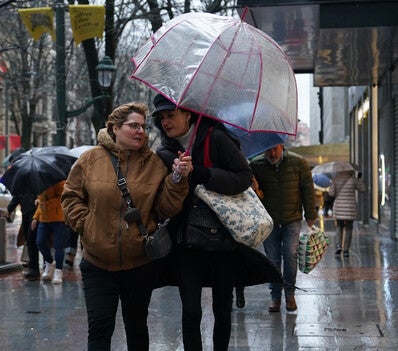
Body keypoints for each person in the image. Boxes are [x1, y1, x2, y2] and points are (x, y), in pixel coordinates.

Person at [61, 102, 191, 350]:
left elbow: (166, 208)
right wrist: (86, 225)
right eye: (133, 126)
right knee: (99, 328)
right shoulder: (90, 159)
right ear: (115, 128)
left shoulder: (154, 164)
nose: (141, 131)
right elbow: (70, 196)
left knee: (137, 327)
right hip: (97, 263)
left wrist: (177, 180)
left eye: (143, 126)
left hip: (139, 263)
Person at [152, 94, 268, 350]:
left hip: (223, 238)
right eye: (161, 118)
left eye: (171, 115)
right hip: (185, 240)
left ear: (188, 115)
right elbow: (161, 196)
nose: (166, 122)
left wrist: (201, 173)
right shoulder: (164, 151)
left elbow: (243, 177)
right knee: (191, 310)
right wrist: (176, 179)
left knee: (222, 309)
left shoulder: (215, 137)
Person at [250, 143, 317, 313]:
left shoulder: (298, 162)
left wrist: (311, 214)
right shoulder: (256, 165)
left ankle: (290, 294)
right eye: (268, 149)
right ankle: (275, 297)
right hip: (269, 221)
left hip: (292, 219)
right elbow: (253, 197)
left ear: (282, 147)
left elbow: (308, 190)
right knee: (272, 260)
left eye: (275, 149)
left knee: (290, 255)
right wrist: (254, 188)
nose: (272, 153)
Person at [33, 180, 66, 284]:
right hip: (44, 218)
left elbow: (62, 198)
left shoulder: (58, 181)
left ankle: (58, 270)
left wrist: (47, 203)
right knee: (40, 242)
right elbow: (40, 202)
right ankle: (50, 262)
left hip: (58, 218)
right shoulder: (39, 182)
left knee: (58, 245)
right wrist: (36, 217)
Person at [329, 170, 366, 257]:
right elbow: (362, 189)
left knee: (339, 227)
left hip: (339, 207)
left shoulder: (336, 179)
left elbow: (331, 193)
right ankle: (346, 250)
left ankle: (338, 246)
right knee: (349, 228)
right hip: (350, 208)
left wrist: (332, 184)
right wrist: (360, 179)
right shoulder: (353, 180)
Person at [6, 190, 39, 280]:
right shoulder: (22, 183)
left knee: (33, 239)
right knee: (30, 241)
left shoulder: (36, 182)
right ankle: (34, 268)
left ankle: (36, 268)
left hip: (36, 214)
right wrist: (9, 209)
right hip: (26, 213)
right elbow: (17, 197)